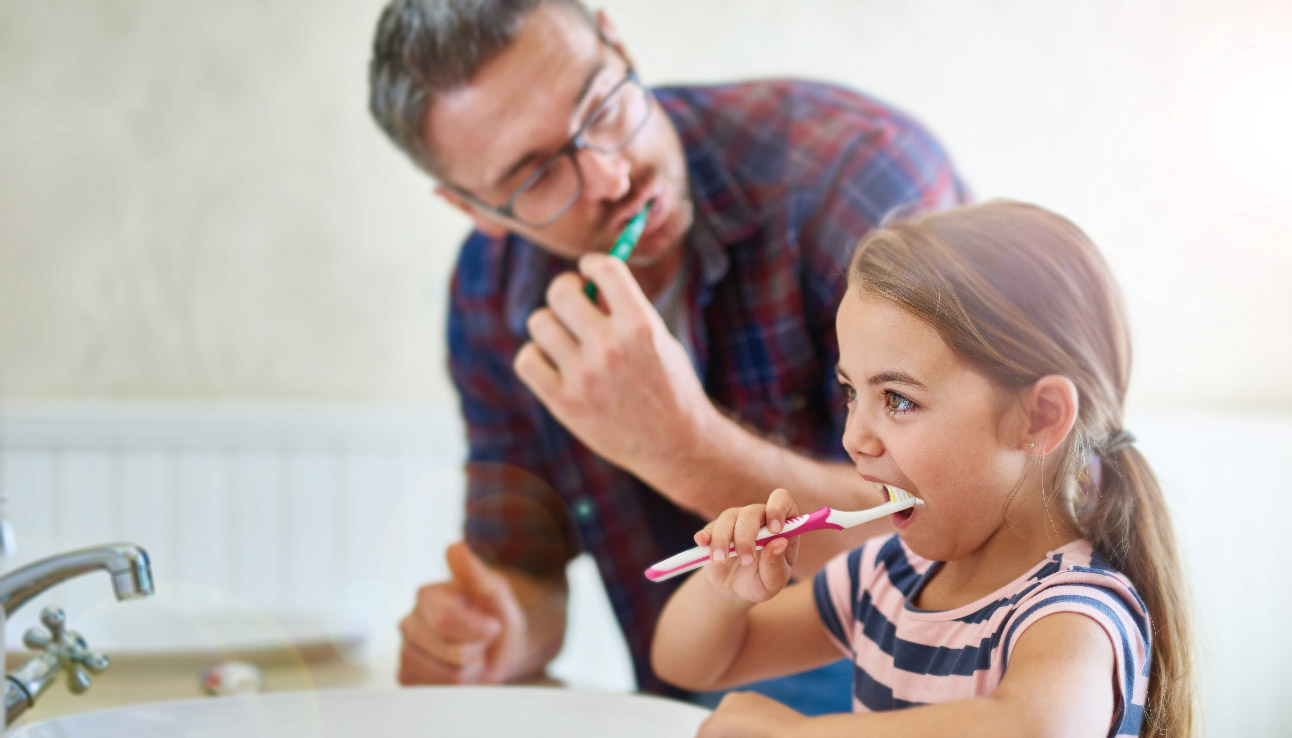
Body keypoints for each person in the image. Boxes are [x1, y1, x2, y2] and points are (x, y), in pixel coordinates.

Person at [367, 0, 967, 712]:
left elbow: (967, 532)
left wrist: (684, 448)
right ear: (473, 209)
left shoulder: (857, 177)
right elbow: (530, 578)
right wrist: (498, 631)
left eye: (600, 106)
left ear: (616, 40)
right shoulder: (490, 296)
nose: (611, 177)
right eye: (536, 178)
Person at [651, 200, 1196, 737]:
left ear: (1040, 417)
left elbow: (1034, 726)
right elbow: (693, 665)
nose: (852, 438)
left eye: (898, 399)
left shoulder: (1070, 609)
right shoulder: (887, 575)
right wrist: (725, 589)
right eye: (850, 392)